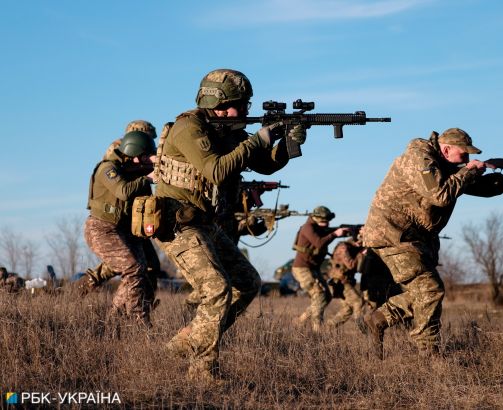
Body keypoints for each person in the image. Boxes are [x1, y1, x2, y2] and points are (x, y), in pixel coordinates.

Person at [154, 68, 306, 382]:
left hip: (203, 222)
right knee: (216, 288)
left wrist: (288, 145)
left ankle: (188, 341)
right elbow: (217, 170)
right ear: (219, 102)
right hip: (176, 222)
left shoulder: (229, 130)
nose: (246, 109)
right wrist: (260, 138)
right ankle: (202, 370)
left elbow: (263, 164)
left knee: (247, 282)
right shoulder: (189, 127)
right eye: (242, 103)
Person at [362, 128, 503, 358]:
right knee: (430, 290)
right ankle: (429, 355)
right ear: (446, 149)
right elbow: (440, 195)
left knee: (421, 293)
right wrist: (469, 171)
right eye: (463, 155)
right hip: (393, 234)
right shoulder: (419, 159)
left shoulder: (446, 166)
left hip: (413, 237)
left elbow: (484, 188)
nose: (467, 160)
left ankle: (378, 319)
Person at [80, 121, 161, 310]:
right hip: (103, 227)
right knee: (132, 267)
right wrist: (148, 176)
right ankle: (135, 315)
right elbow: (123, 190)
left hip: (126, 226)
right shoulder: (109, 166)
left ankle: (119, 313)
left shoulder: (135, 164)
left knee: (143, 267)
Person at [291, 206, 350, 331]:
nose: (327, 223)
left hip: (313, 268)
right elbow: (319, 243)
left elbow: (326, 235)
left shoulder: (318, 228)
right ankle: (317, 329)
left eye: (328, 221)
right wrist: (335, 234)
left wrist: (346, 231)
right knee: (319, 295)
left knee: (327, 296)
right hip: (302, 268)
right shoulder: (308, 228)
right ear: (316, 218)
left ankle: (300, 321)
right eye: (324, 221)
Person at [326, 234, 367, 331]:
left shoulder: (352, 248)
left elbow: (358, 269)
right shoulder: (343, 248)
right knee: (358, 301)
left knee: (347, 309)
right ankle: (361, 326)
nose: (361, 244)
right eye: (360, 242)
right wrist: (361, 254)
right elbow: (351, 265)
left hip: (345, 280)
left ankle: (330, 326)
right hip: (340, 281)